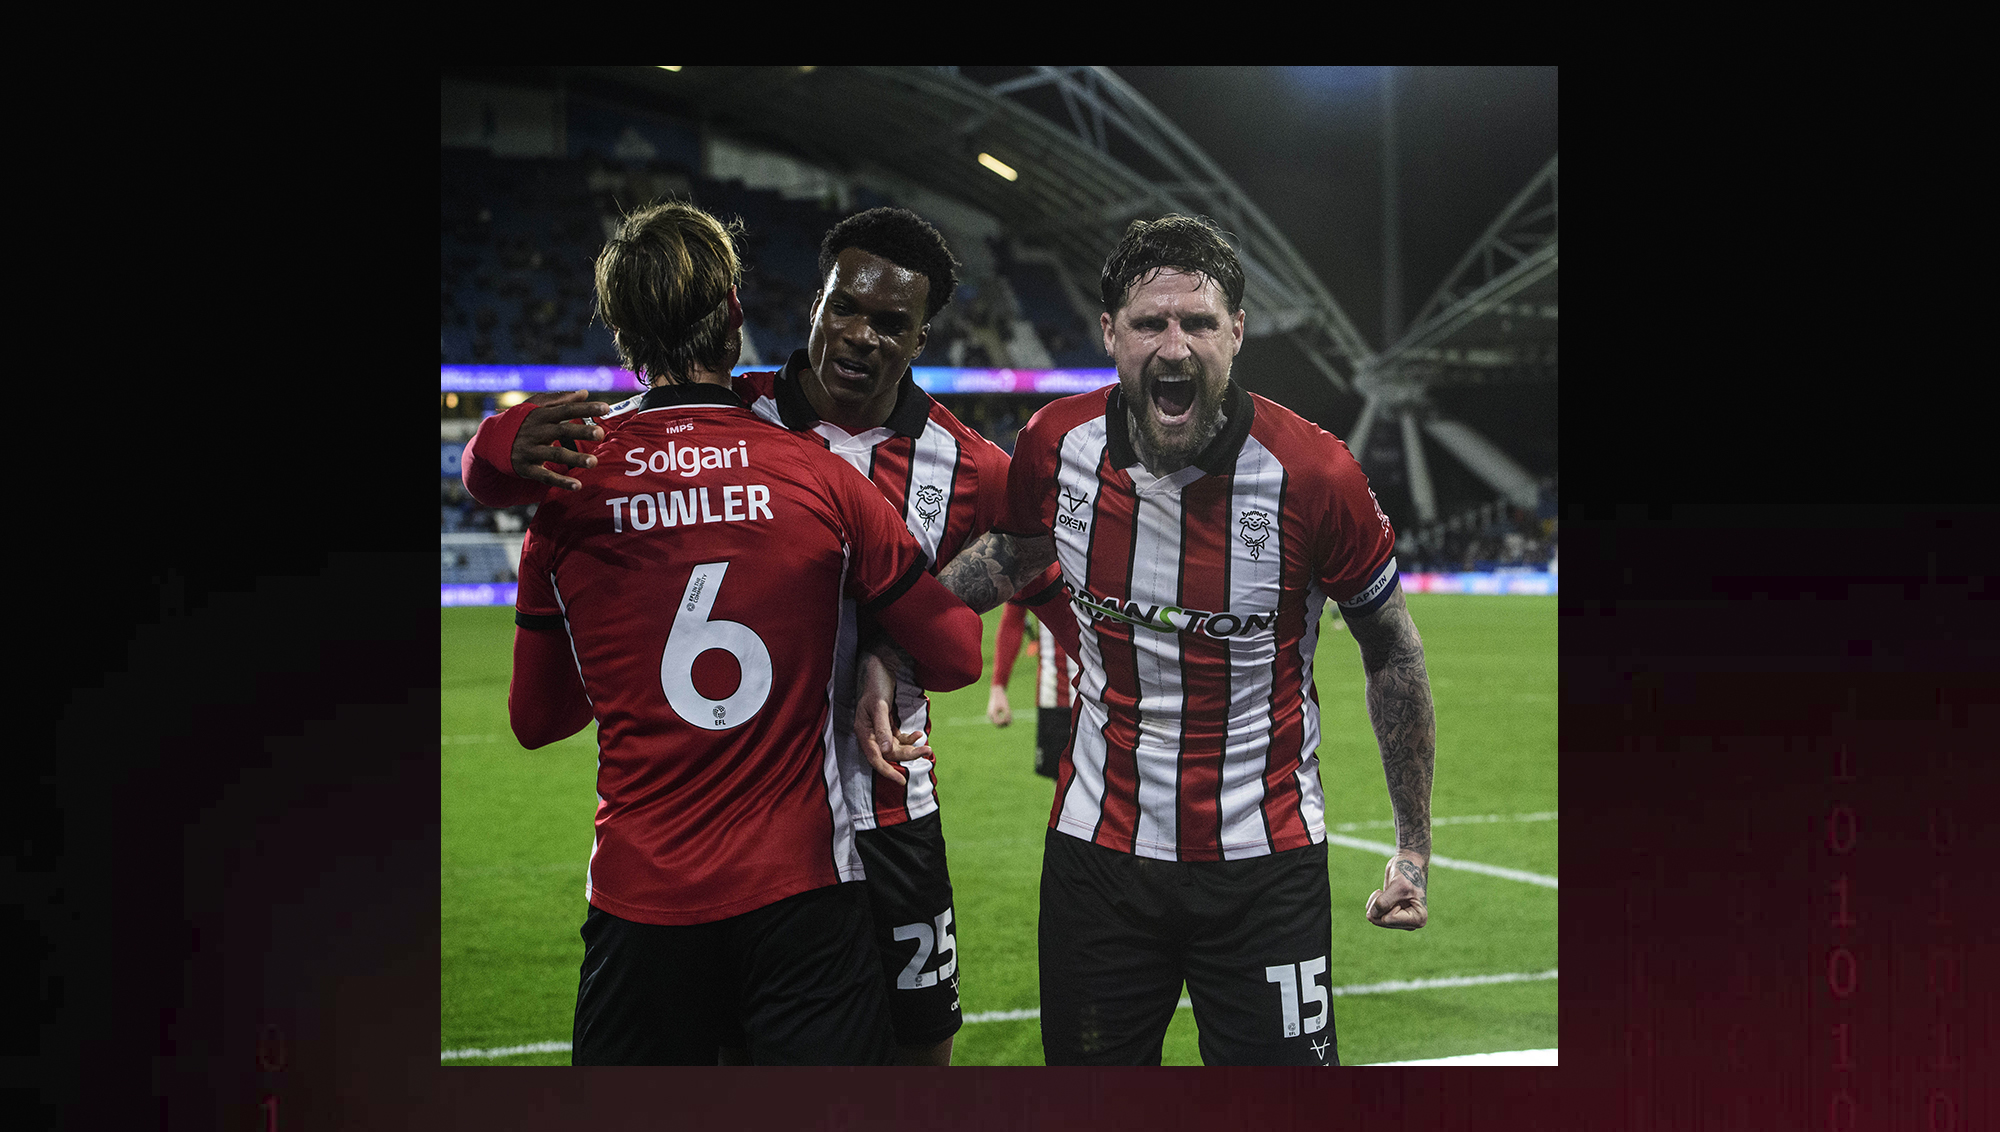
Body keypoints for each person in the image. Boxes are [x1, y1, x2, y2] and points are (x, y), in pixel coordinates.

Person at [464, 205, 1074, 1067]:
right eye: (843, 307)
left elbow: (1041, 545)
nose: (858, 334)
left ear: (921, 338)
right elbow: (549, 458)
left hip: (889, 806)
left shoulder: (968, 462)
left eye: (889, 322)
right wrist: (491, 447)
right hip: (775, 840)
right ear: (810, 303)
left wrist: (889, 651)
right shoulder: (742, 414)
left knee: (919, 1053)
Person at [921, 215, 1437, 1066]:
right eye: (1149, 322)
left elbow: (1393, 652)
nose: (1174, 346)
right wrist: (892, 641)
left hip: (1265, 864)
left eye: (1198, 322)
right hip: (1097, 862)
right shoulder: (1055, 445)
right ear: (1109, 334)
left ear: (1236, 333)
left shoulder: (1315, 477)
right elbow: (1013, 556)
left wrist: (1412, 849)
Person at [987, 600, 1077, 779]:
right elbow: (1013, 620)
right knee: (1062, 782)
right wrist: (998, 686)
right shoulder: (1032, 578)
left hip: (1110, 694)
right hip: (1056, 694)